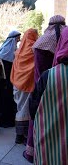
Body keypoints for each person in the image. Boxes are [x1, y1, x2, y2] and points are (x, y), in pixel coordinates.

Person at [24, 15, 66, 163]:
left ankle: (34, 152)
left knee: (40, 121)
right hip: (60, 83)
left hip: (43, 85)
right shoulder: (62, 39)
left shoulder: (41, 42)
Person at [10, 29, 38, 144]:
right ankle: (25, 135)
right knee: (27, 110)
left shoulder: (19, 50)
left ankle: (18, 136)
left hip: (17, 83)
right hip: (28, 83)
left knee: (20, 108)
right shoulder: (34, 49)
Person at [0, 30, 21, 128]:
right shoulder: (6, 51)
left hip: (11, 80)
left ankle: (9, 120)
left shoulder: (14, 49)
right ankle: (4, 121)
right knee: (5, 100)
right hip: (5, 81)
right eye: (17, 38)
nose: (18, 40)